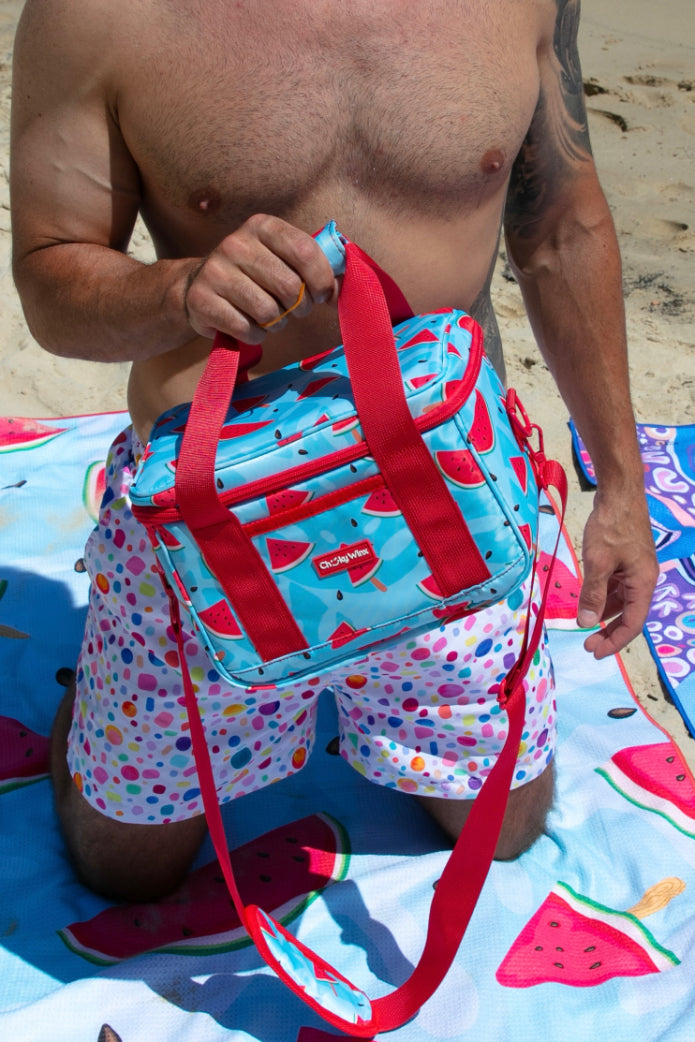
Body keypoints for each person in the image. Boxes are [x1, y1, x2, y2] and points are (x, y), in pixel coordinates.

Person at [10, 0, 657, 903]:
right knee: (123, 873)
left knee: (505, 833)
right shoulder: (97, 13)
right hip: (210, 516)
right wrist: (179, 289)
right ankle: (96, 702)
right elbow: (51, 279)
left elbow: (558, 226)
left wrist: (621, 493)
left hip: (447, 493)